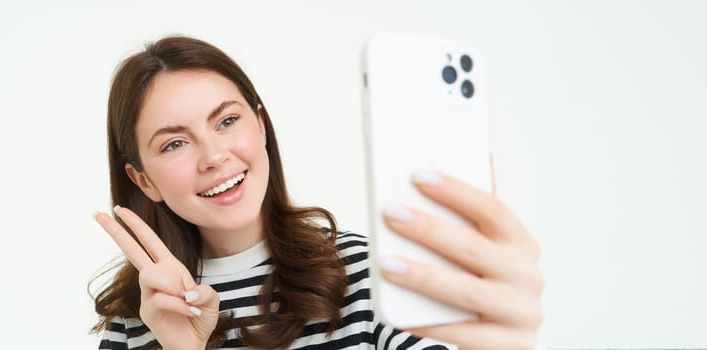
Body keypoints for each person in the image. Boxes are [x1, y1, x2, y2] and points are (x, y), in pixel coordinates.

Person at [91, 36, 542, 350]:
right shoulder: (133, 319)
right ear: (143, 180)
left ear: (261, 126)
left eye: (227, 121)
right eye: (175, 143)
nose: (213, 156)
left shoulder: (363, 273)